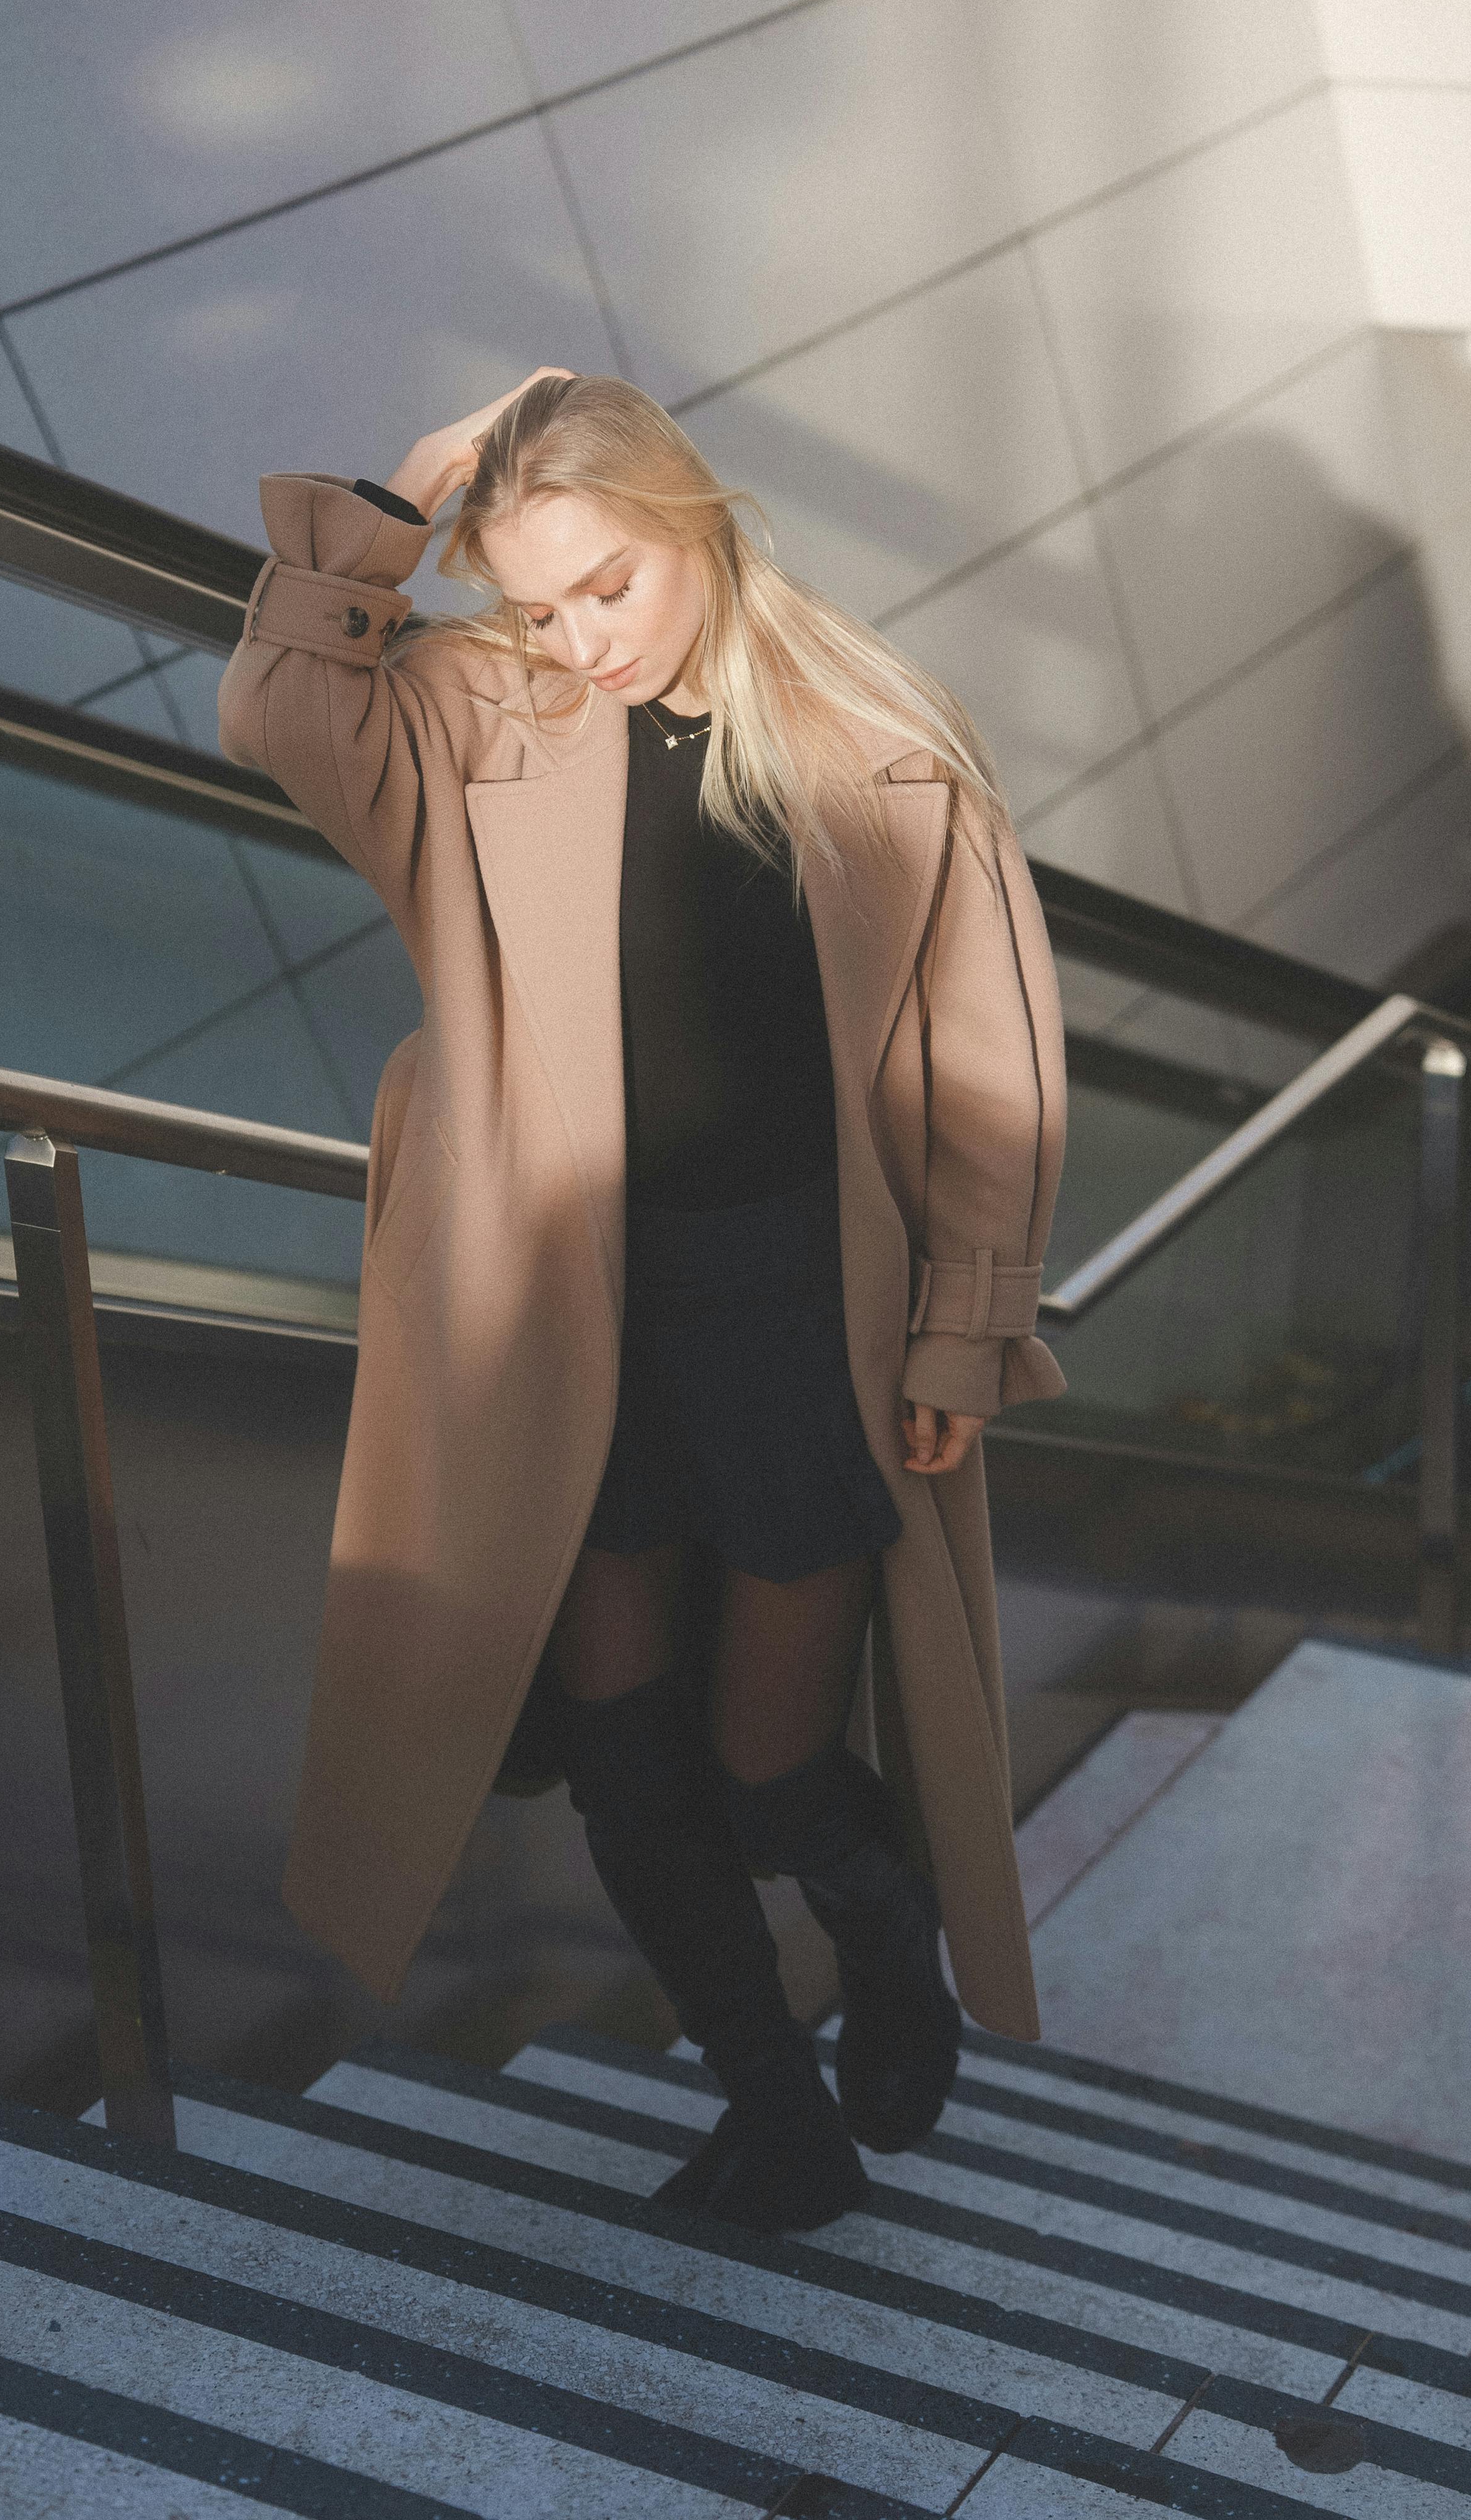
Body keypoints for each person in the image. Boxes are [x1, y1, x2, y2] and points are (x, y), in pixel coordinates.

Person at [218, 369, 1067, 2235]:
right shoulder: (478, 713)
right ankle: (774, 2111)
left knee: (767, 1764)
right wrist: (415, 490)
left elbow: (986, 1063)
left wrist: (961, 1324)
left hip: (797, 1300)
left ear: (697, 523)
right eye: (535, 602)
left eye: (608, 585)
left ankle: (880, 1925)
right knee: (622, 1745)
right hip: (556, 1304)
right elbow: (279, 708)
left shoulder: (882, 744)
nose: (576, 638)